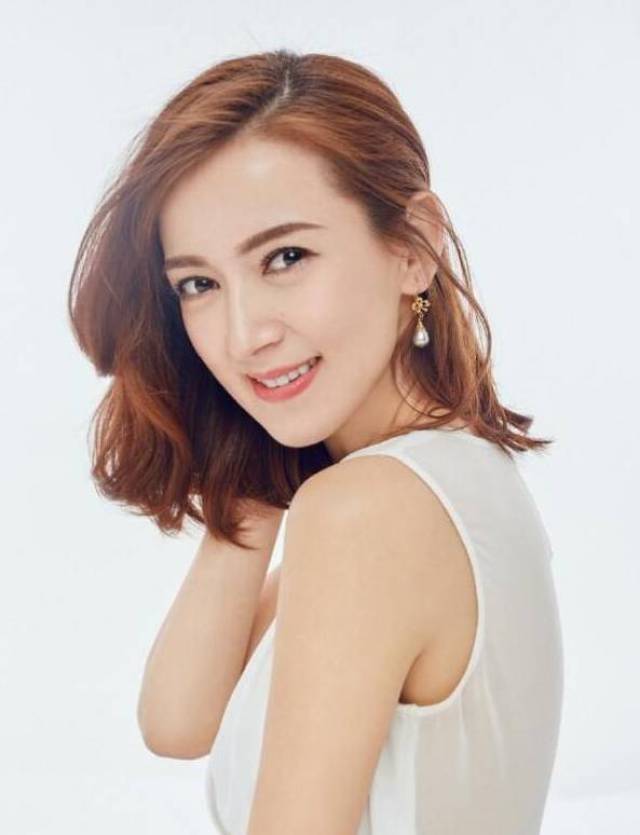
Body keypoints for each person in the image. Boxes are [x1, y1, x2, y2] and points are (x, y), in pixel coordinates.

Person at [67, 48, 564, 835]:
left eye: (285, 257)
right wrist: (254, 473)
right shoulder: (445, 478)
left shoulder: (368, 510)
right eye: (199, 283)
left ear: (413, 246)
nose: (243, 334)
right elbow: (178, 721)